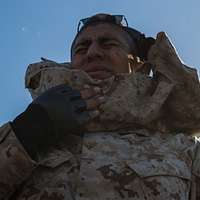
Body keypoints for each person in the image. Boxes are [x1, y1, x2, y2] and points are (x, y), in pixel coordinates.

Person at [0, 13, 200, 200]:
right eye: (81, 48)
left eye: (108, 44)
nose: (92, 53)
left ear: (140, 65)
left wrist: (157, 53)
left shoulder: (184, 151)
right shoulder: (24, 135)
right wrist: (28, 131)